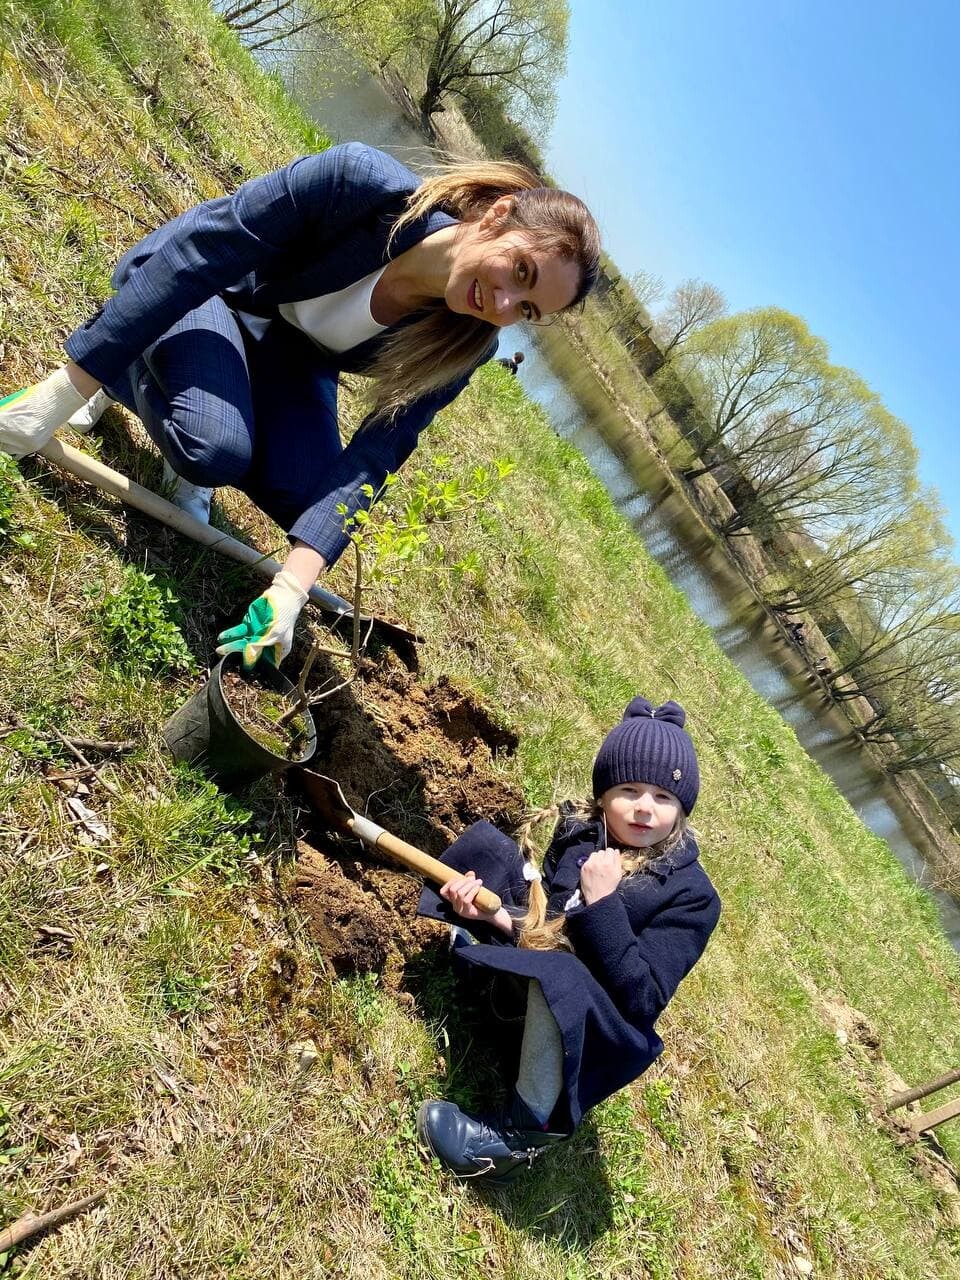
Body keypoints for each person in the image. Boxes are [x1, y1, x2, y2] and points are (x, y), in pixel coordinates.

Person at [0, 143, 599, 668]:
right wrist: (61, 392)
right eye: (521, 271)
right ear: (497, 216)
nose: (503, 304)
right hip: (206, 293)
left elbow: (377, 454)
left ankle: (196, 392)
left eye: (527, 309)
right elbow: (201, 251)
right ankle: (116, 369)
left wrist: (292, 586)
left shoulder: (468, 342)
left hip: (288, 359)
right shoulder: (358, 184)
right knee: (213, 449)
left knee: (309, 498)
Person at [416, 696, 720, 1184]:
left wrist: (604, 906)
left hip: (594, 1029)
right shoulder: (584, 833)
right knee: (493, 857)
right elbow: (549, 927)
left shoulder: (691, 897)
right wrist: (496, 917)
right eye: (629, 789)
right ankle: (485, 982)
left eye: (664, 797)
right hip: (543, 988)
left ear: (682, 809)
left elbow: (642, 998)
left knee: (562, 974)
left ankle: (519, 1134)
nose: (645, 808)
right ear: (604, 794)